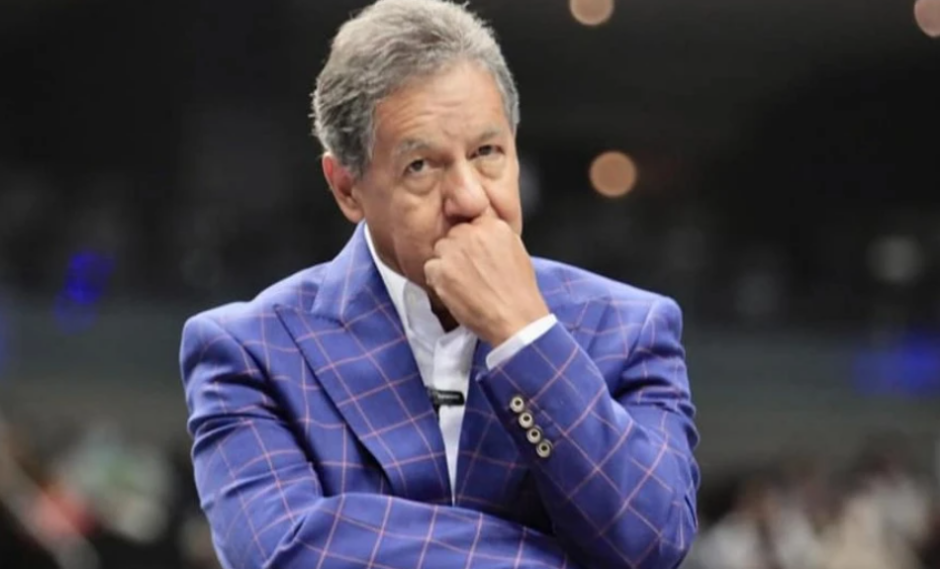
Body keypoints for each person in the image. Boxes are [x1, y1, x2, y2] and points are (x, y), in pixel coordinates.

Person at [178, 1, 700, 568]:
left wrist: (525, 335)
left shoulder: (631, 328)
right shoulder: (249, 351)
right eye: (421, 166)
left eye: (487, 153)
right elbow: (288, 553)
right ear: (347, 188)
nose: (470, 199)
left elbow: (652, 541)